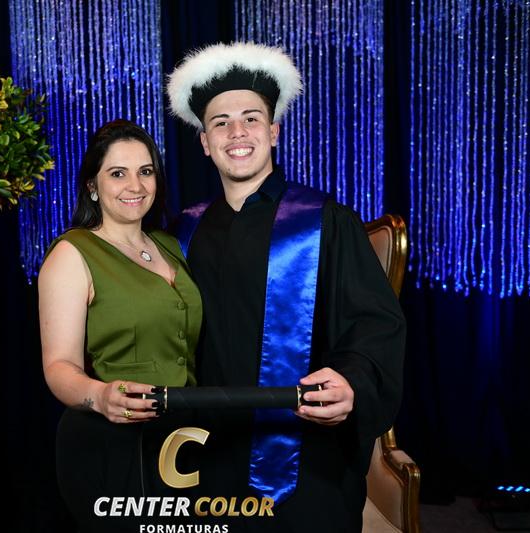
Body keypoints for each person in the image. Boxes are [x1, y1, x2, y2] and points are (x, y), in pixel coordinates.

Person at [166, 42, 406, 531]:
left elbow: (374, 324)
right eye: (220, 122)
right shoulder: (183, 231)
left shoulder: (325, 221)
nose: (237, 132)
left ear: (273, 132)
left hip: (306, 458)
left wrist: (352, 382)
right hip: (206, 453)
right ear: (205, 143)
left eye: (251, 119)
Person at [37, 119, 202, 532]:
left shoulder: (169, 245)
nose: (135, 185)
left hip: (183, 440)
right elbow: (58, 366)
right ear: (93, 185)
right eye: (117, 173)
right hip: (115, 443)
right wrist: (100, 395)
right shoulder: (72, 253)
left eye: (145, 171)